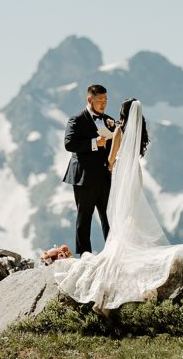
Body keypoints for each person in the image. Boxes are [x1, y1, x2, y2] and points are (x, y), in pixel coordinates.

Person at [55, 97, 183, 310]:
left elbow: (111, 158)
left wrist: (107, 164)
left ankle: (121, 245)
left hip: (121, 171)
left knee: (121, 211)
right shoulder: (139, 132)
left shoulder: (120, 130)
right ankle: (134, 242)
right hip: (134, 172)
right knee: (133, 208)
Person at [63, 84, 118, 256]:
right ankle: (84, 256)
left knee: (109, 216)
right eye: (100, 100)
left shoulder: (110, 120)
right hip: (84, 177)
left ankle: (112, 253)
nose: (103, 104)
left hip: (104, 175)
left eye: (106, 100)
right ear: (89, 99)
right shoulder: (76, 119)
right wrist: (95, 143)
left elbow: (114, 144)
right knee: (84, 218)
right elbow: (69, 144)